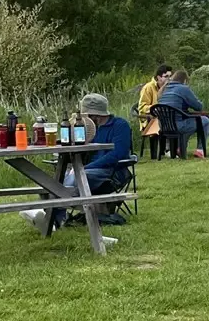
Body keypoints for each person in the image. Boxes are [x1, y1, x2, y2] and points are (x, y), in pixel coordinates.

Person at [25, 92, 131, 231]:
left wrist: (85, 167)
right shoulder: (89, 128)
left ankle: (51, 218)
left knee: (75, 177)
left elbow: (118, 153)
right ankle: (53, 218)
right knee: (52, 181)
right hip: (87, 168)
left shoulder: (120, 125)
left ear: (95, 115)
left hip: (111, 171)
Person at [158, 69, 209, 158]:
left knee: (186, 122)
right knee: (205, 121)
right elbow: (198, 107)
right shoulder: (183, 89)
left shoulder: (164, 89)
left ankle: (180, 148)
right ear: (185, 80)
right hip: (178, 126)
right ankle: (200, 150)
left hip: (163, 126)